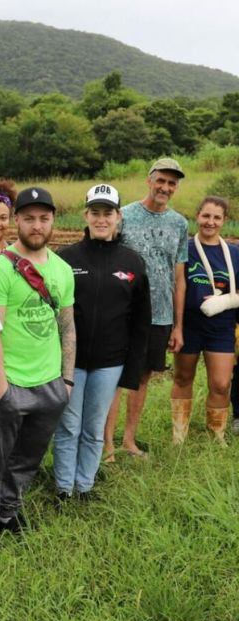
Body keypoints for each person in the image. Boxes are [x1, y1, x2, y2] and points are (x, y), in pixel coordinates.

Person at [0, 186, 75, 549]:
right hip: (12, 381)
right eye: (29, 218)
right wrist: (1, 388)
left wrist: (67, 381)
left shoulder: (62, 270)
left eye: (43, 218)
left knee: (28, 457)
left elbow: (67, 326)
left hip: (50, 383)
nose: (36, 225)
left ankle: (9, 511)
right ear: (17, 221)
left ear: (52, 222)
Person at [54, 184, 150, 503]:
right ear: (86, 215)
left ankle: (85, 486)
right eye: (95, 212)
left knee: (94, 429)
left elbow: (140, 322)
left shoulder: (133, 262)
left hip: (110, 363)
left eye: (107, 213)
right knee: (69, 427)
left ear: (118, 217)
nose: (101, 219)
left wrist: (131, 371)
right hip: (71, 362)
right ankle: (63, 488)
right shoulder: (65, 258)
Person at [104, 158, 189, 459]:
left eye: (171, 183)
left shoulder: (179, 224)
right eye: (161, 181)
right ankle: (107, 445)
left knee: (142, 377)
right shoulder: (124, 216)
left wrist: (178, 325)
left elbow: (179, 279)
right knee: (114, 377)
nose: (165, 187)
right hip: (124, 313)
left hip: (161, 315)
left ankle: (129, 440)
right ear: (149, 180)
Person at [170, 196, 239, 442]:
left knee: (221, 384)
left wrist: (226, 301)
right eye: (206, 216)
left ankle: (216, 434)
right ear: (197, 216)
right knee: (182, 377)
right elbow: (175, 287)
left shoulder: (234, 253)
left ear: (224, 221)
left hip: (221, 326)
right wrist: (175, 326)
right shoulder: (184, 250)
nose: (210, 222)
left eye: (216, 217)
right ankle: (179, 435)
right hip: (188, 324)